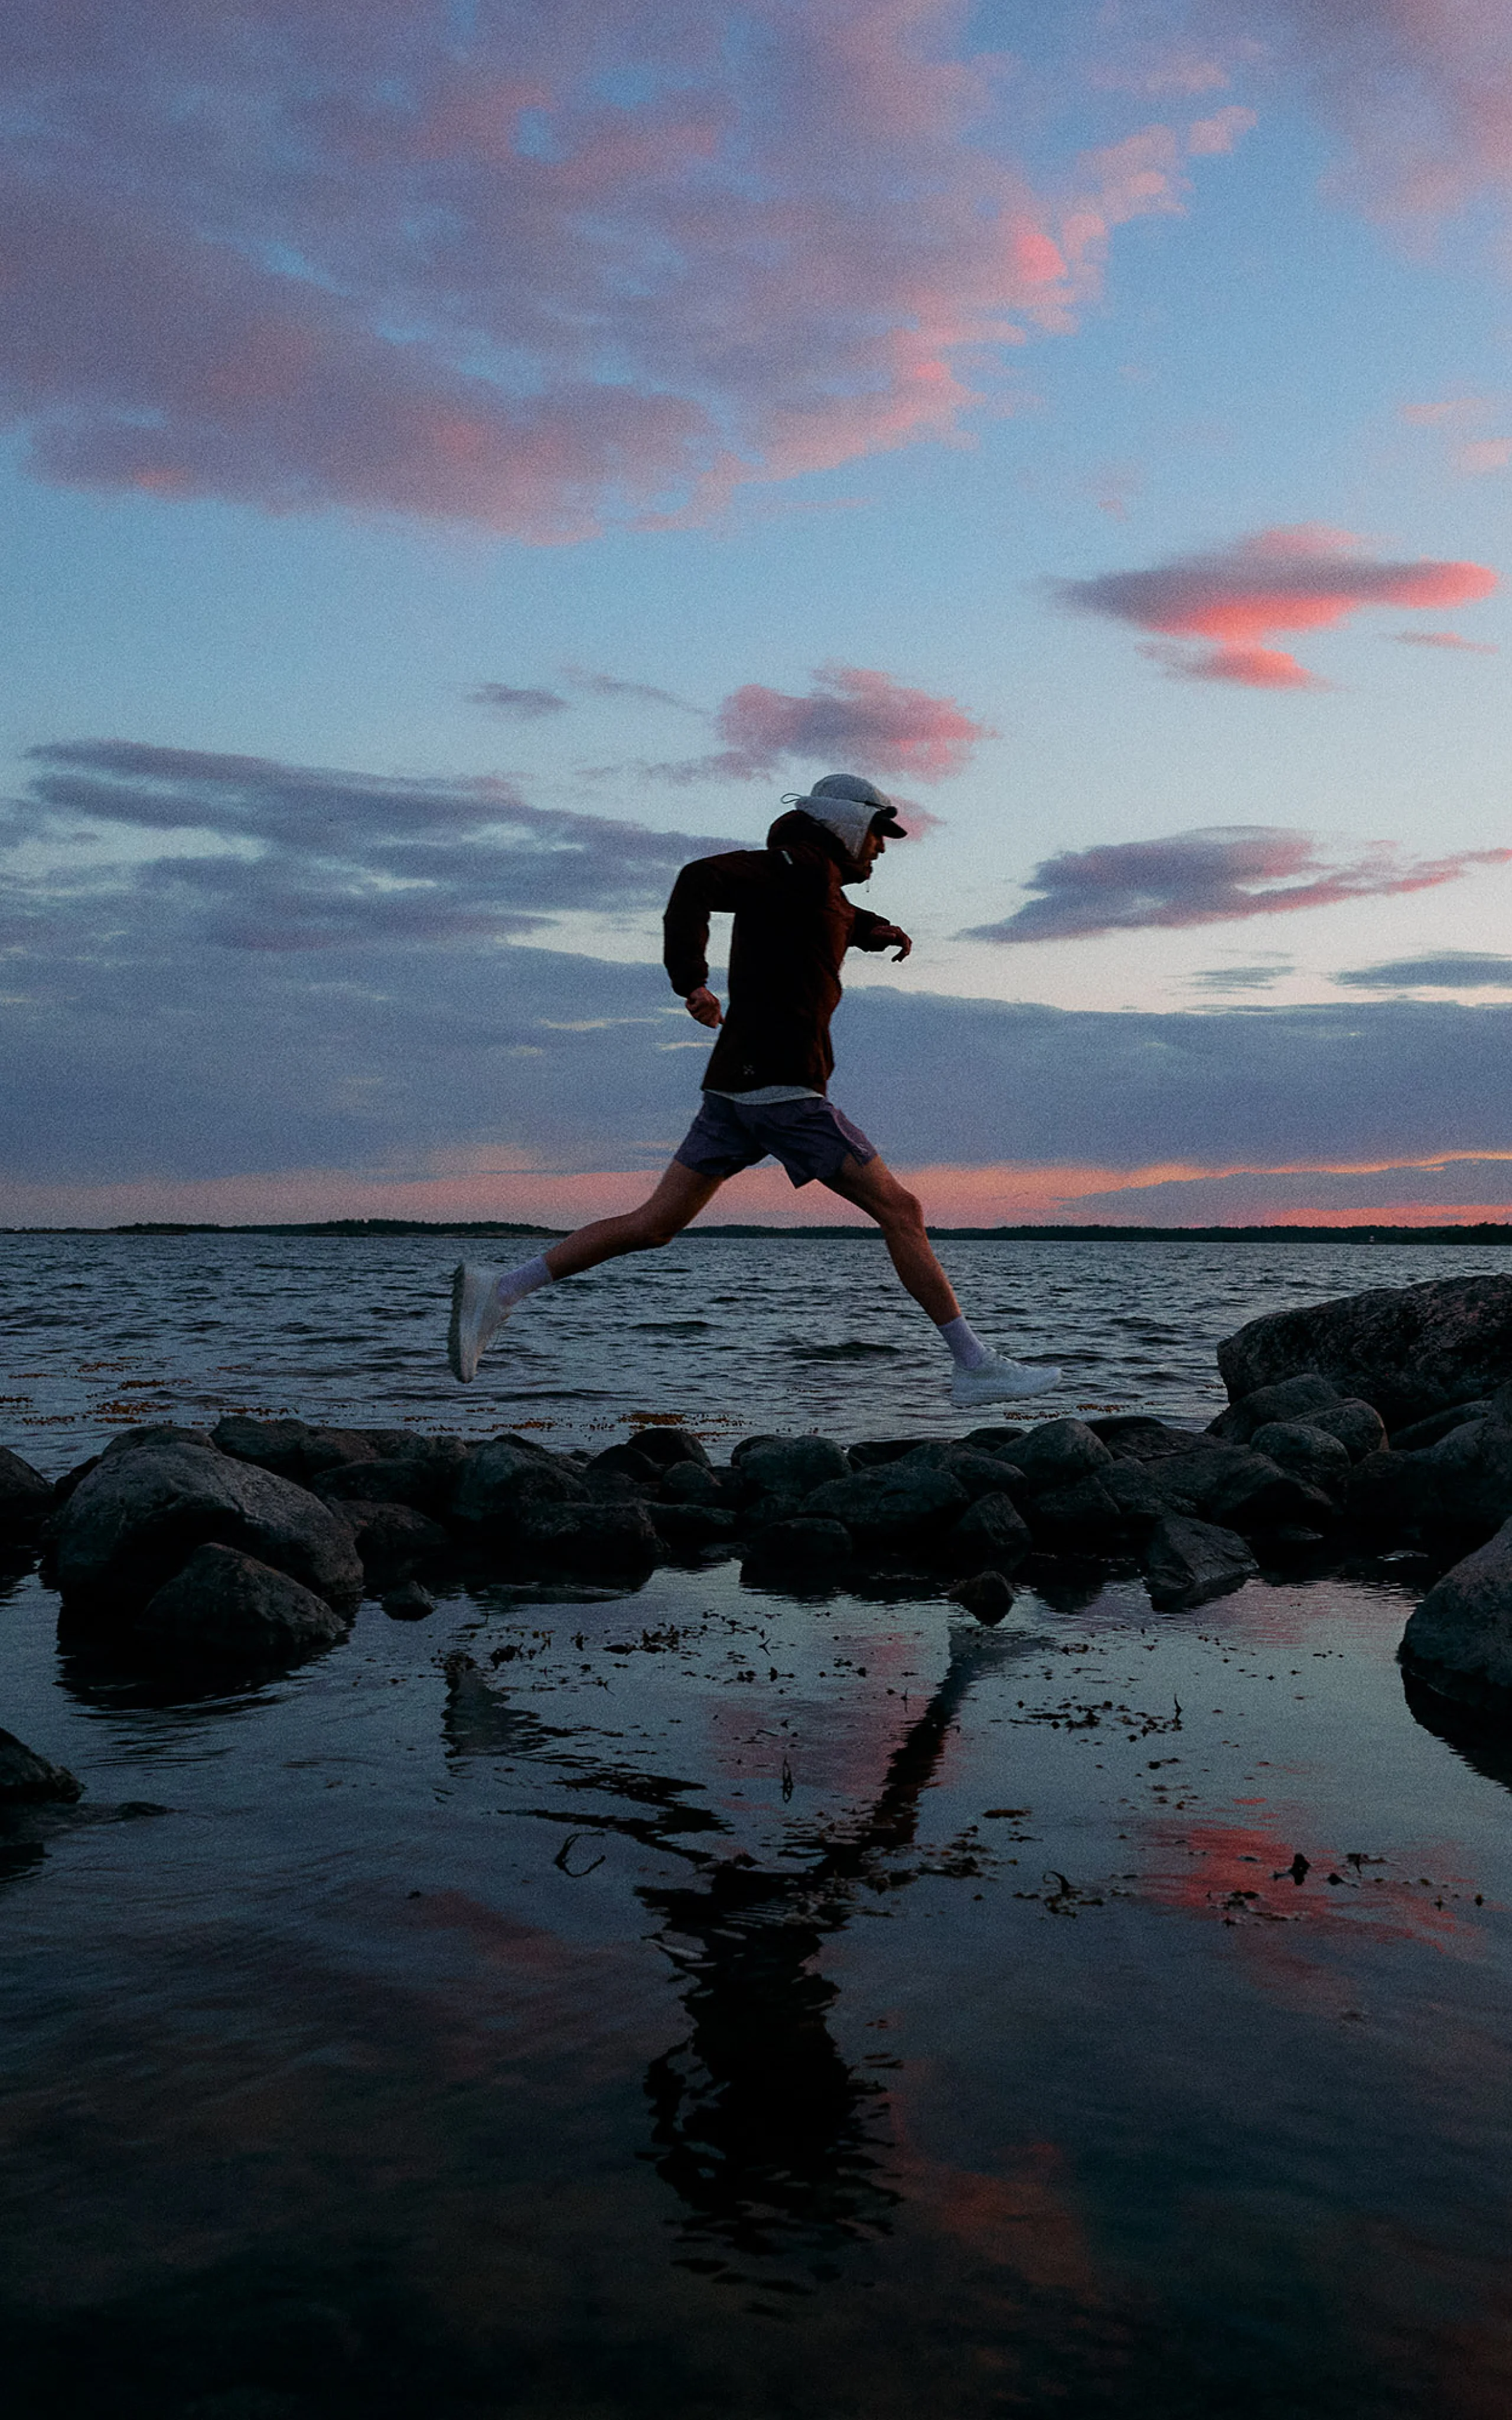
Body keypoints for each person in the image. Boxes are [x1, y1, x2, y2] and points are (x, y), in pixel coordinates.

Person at [448, 772, 1061, 1406]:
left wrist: (874, 928)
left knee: (654, 1224)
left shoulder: (813, 883)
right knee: (901, 1211)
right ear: (848, 822)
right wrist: (691, 980)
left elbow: (828, 916)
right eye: (879, 835)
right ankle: (973, 1364)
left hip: (735, 1087)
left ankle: (500, 1292)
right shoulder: (793, 866)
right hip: (780, 1085)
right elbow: (697, 880)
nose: (881, 850)